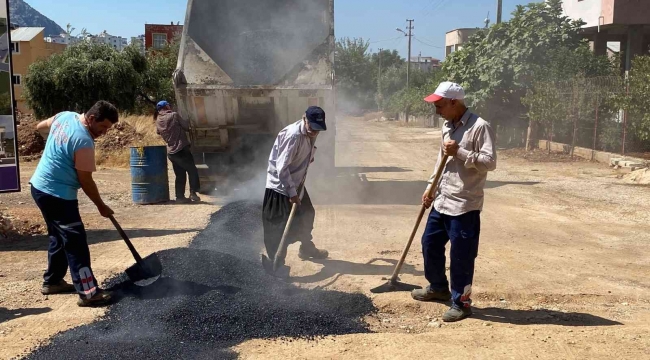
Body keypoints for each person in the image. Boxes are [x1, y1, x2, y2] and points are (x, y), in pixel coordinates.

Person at [411, 82, 497, 322]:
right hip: (442, 199)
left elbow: (490, 162)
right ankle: (438, 287)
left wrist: (460, 152)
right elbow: (441, 160)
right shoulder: (447, 126)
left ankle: (462, 302)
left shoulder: (480, 127)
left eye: (439, 105)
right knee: (429, 244)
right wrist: (430, 188)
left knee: (461, 256)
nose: (436, 110)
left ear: (454, 102)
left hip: (464, 205)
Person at [30, 100, 119, 307]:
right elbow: (85, 180)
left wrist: (57, 145)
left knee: (58, 236)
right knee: (76, 242)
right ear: (90, 119)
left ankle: (53, 282)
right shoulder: (84, 141)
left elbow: (40, 127)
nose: (105, 132)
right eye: (103, 126)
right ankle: (88, 293)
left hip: (39, 187)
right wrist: (101, 206)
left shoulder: (65, 116)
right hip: (58, 196)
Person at [262, 106, 329, 273]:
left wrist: (308, 157)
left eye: (318, 129)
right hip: (280, 187)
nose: (315, 132)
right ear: (304, 119)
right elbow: (281, 168)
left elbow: (304, 154)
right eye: (312, 127)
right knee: (278, 226)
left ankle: (306, 248)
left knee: (307, 214)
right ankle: (275, 262)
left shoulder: (311, 132)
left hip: (296, 183)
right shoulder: (293, 136)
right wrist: (292, 194)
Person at [154, 100, 201, 203]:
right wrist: (188, 119)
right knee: (192, 170)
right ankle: (193, 193)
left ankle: (180, 197)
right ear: (166, 107)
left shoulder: (158, 120)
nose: (170, 106)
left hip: (171, 153)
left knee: (180, 174)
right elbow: (186, 127)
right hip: (181, 149)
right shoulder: (174, 115)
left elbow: (158, 132)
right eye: (168, 105)